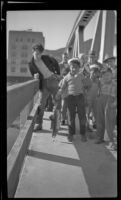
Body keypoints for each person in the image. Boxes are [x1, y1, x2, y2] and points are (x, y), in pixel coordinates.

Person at [28, 43, 61, 136]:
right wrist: (35, 76)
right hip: (43, 84)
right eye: (36, 53)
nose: (38, 55)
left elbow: (55, 63)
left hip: (53, 80)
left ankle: (55, 124)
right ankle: (39, 124)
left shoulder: (46, 57)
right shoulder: (31, 64)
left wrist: (57, 73)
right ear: (33, 51)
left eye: (40, 53)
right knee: (41, 104)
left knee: (57, 102)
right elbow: (33, 74)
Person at [56, 58, 90, 142]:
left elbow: (87, 85)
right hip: (70, 97)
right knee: (71, 116)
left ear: (79, 68)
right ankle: (71, 133)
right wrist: (59, 93)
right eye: (72, 67)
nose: (74, 68)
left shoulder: (81, 75)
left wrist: (86, 78)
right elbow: (63, 87)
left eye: (76, 67)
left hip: (80, 97)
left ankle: (83, 134)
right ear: (69, 67)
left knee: (82, 116)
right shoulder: (66, 77)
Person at [95, 67, 115, 144]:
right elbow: (99, 91)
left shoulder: (115, 84)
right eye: (104, 75)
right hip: (101, 101)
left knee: (110, 122)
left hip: (110, 103)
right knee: (100, 120)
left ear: (112, 75)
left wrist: (115, 103)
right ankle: (100, 137)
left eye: (108, 75)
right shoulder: (101, 82)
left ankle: (112, 141)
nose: (106, 77)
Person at [59, 52, 70, 125]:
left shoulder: (70, 65)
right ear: (62, 57)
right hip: (61, 85)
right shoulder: (59, 65)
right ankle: (62, 118)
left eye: (66, 57)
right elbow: (57, 74)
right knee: (62, 104)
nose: (65, 58)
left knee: (67, 103)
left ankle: (65, 118)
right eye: (64, 57)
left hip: (69, 86)